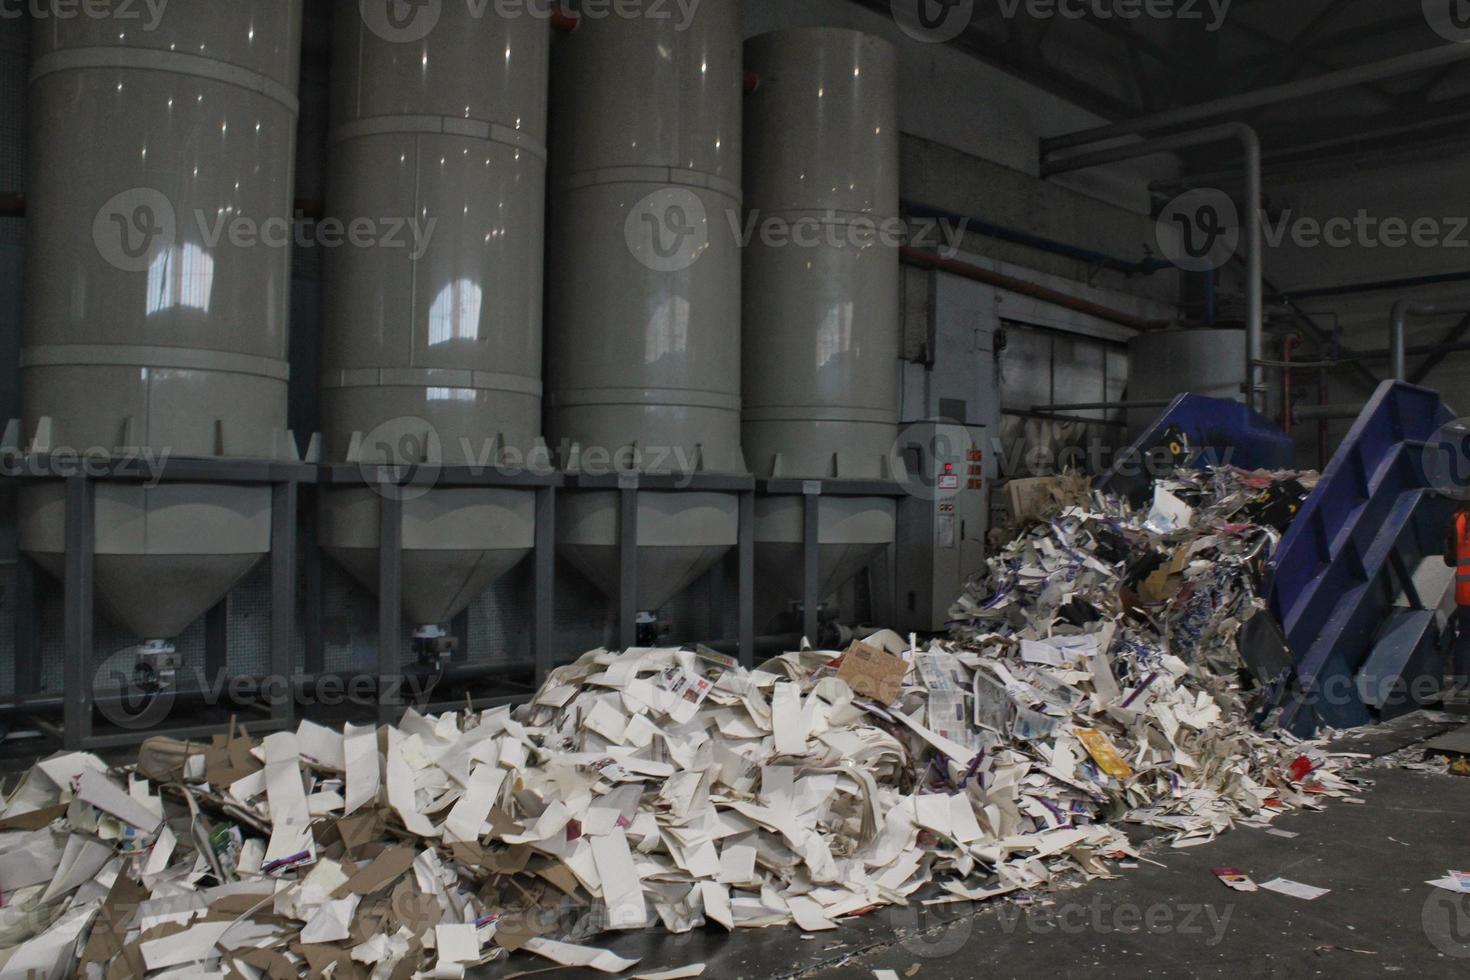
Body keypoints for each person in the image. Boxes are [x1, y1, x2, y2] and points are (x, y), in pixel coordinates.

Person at [1446, 500, 1470, 689]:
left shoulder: (1458, 517)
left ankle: (1461, 682)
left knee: (1465, 637)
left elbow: (1450, 558)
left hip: (1464, 590)